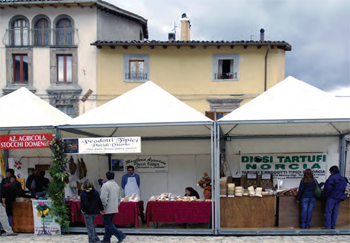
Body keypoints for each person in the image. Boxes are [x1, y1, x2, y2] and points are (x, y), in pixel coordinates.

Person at [100, 171, 126, 243]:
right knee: (108, 223)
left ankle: (120, 234)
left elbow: (103, 198)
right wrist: (117, 205)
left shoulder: (105, 185)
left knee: (108, 223)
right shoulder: (116, 185)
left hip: (107, 207)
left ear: (106, 177)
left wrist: (102, 207)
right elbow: (119, 197)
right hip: (114, 207)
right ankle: (106, 238)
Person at [80, 179, 104, 243]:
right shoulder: (95, 192)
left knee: (89, 227)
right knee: (91, 226)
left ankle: (92, 240)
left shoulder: (84, 193)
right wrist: (102, 209)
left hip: (87, 212)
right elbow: (99, 201)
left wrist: (83, 210)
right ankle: (96, 239)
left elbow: (85, 203)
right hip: (95, 211)